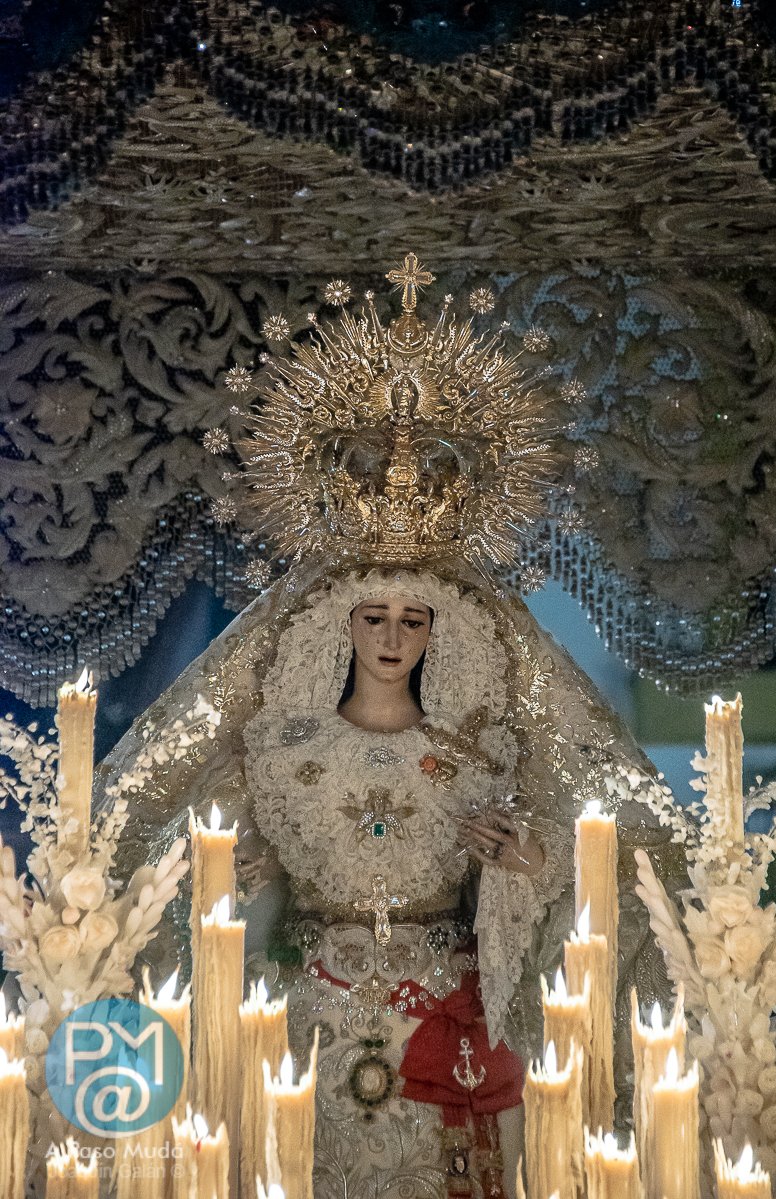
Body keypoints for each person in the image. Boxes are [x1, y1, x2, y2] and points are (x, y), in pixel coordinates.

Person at [98, 256, 680, 1199]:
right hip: (307, 1010)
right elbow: (189, 867)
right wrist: (240, 878)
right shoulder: (281, 753)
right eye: (374, 617)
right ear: (341, 626)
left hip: (442, 1011)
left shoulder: (483, 755)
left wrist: (519, 868)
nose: (392, 636)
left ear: (438, 635)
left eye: (414, 620)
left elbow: (573, 875)